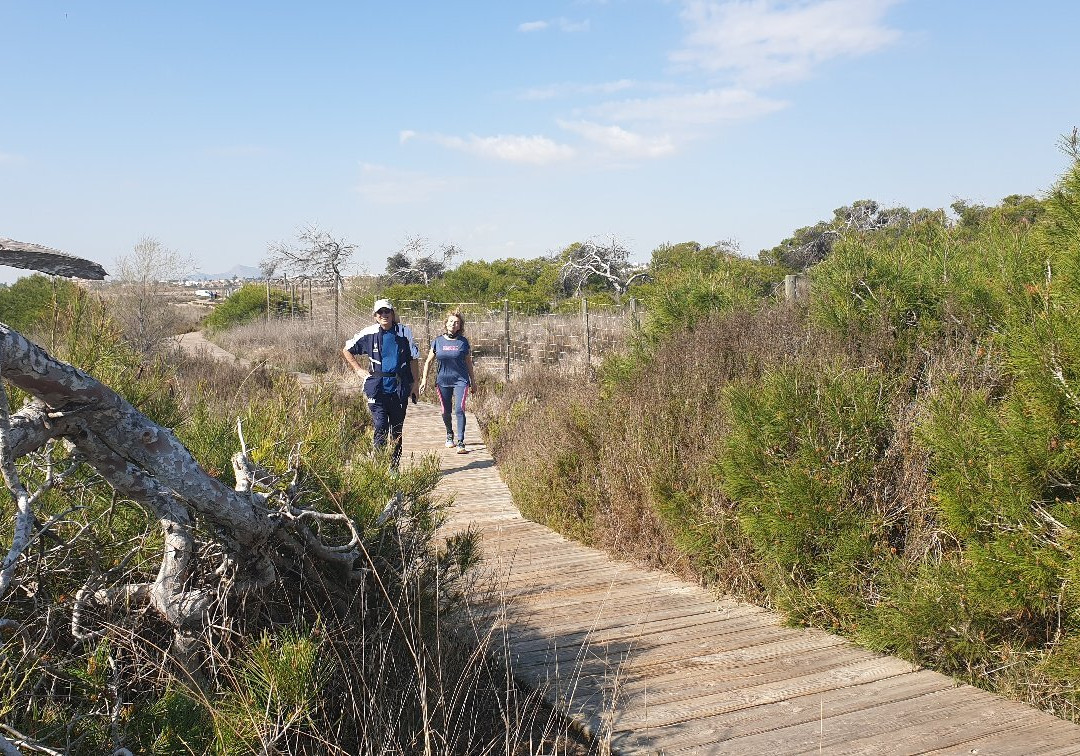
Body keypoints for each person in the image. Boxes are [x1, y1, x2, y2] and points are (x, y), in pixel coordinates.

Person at [342, 299, 420, 468]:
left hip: (399, 387)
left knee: (396, 430)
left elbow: (413, 358)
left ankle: (393, 467)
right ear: (375, 316)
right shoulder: (369, 333)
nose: (384, 315)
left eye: (387, 312)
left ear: (393, 314)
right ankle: (379, 466)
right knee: (380, 426)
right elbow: (347, 349)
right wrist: (358, 369)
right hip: (377, 388)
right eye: (380, 313)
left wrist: (415, 384)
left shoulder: (404, 332)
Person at [419, 310, 475, 454]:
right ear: (446, 323)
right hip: (443, 381)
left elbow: (468, 363)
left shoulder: (463, 342)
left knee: (459, 409)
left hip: (461, 381)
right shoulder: (438, 341)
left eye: (456, 322)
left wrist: (473, 381)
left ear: (459, 326)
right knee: (446, 411)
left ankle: (461, 441)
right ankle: (449, 434)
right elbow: (428, 362)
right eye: (451, 321)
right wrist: (424, 379)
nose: (453, 324)